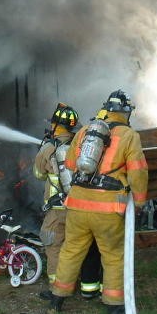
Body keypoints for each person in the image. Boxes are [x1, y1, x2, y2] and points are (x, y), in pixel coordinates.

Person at [47, 89, 148, 314]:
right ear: (126, 112)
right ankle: (114, 308)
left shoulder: (84, 131)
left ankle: (56, 300)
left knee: (71, 251)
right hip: (108, 210)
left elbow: (71, 164)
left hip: (77, 206)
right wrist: (140, 202)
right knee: (112, 256)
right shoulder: (129, 136)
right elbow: (138, 173)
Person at [34, 103, 102, 300]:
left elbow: (38, 174)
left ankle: (58, 289)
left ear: (56, 126)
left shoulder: (48, 149)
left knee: (54, 245)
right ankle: (87, 285)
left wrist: (43, 152)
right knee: (81, 245)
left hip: (58, 209)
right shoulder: (83, 145)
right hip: (81, 206)